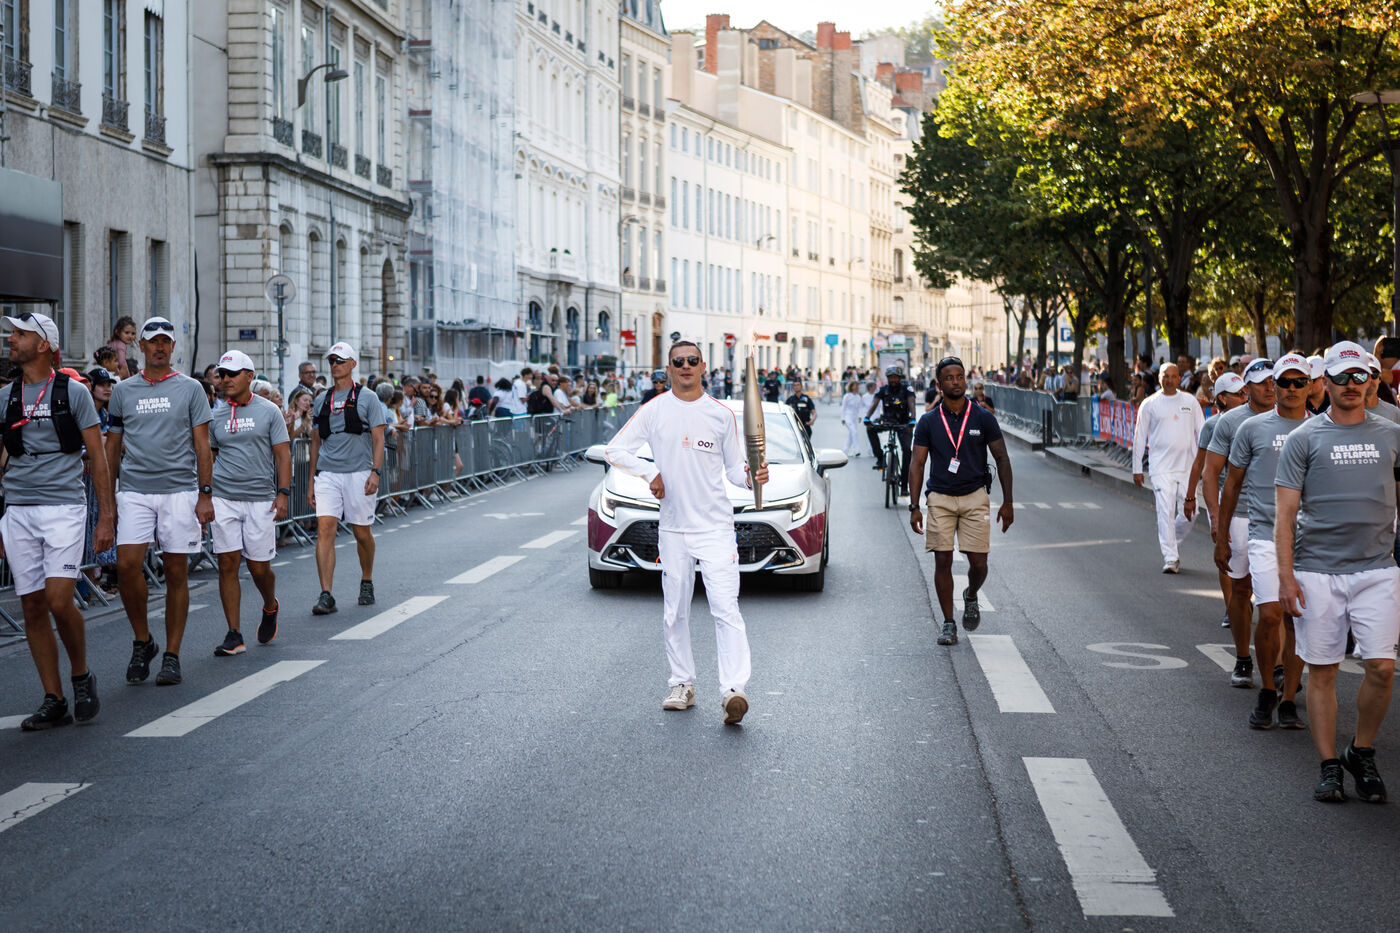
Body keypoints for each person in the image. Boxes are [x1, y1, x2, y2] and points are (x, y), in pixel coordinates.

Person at [604, 341, 768, 724]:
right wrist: (650, 472)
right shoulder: (654, 410)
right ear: (669, 369)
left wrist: (751, 476)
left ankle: (733, 690)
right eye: (678, 362)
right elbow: (615, 450)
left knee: (725, 608)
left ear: (703, 366)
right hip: (674, 528)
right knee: (675, 610)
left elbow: (734, 469)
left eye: (693, 360)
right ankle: (682, 683)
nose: (686, 366)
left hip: (715, 527)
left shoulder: (720, 415)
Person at [1276, 340, 1400, 803]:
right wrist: (1286, 576)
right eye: (1341, 377)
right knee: (1323, 670)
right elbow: (1285, 515)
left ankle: (1360, 750)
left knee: (1382, 668)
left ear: (1371, 381)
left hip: (1378, 569)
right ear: (1323, 382)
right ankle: (1329, 765)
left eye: (1359, 376)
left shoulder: (1392, 434)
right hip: (1317, 571)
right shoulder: (1303, 438)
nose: (1351, 384)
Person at [0, 312, 114, 729]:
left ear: (44, 344)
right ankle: (54, 698)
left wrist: (106, 518)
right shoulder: (6, 395)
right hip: (18, 509)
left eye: (20, 334)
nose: (11, 339)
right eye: (11, 334)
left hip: (64, 507)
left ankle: (81, 675)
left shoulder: (73, 392)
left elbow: (97, 457)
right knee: (32, 605)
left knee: (59, 599)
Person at [105, 316, 215, 687]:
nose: (159, 347)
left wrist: (205, 494)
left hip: (179, 490)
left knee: (176, 572)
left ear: (172, 346)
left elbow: (203, 445)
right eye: (153, 341)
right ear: (141, 346)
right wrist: (108, 501)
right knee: (126, 566)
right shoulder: (123, 391)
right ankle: (143, 640)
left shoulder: (191, 388)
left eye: (165, 341)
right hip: (135, 490)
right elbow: (112, 446)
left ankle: (172, 654)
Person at [1215, 354, 1311, 730]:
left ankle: (1287, 701)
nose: (1289, 388)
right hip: (1264, 535)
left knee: (1297, 620)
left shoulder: (1322, 428)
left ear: (1310, 386)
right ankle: (1268, 689)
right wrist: (1221, 536)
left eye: (1298, 382)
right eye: (1283, 382)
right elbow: (1231, 484)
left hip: (1310, 541)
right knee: (1270, 614)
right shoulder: (1251, 428)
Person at [908, 357, 1014, 647]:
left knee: (979, 563)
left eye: (960, 376)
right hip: (940, 498)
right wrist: (914, 506)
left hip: (974, 496)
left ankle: (971, 594)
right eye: (949, 378)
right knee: (942, 559)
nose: (956, 382)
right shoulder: (929, 421)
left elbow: (1002, 458)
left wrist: (1008, 502)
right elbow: (917, 463)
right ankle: (948, 623)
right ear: (939, 384)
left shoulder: (982, 417)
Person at [208, 350, 291, 654]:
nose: (226, 379)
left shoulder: (269, 411)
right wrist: (205, 494)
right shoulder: (215, 415)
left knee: (258, 569)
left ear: (249, 376)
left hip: (260, 499)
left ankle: (270, 604)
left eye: (232, 374)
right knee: (227, 564)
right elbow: (210, 456)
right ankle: (234, 634)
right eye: (222, 374)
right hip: (224, 497)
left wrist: (283, 493)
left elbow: (283, 454)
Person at [1204, 357, 1276, 686]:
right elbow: (1211, 473)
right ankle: (1243, 658)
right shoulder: (1230, 422)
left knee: (1275, 601)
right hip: (1241, 516)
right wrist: (1217, 521)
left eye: (1274, 381)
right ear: (1247, 388)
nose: (1270, 387)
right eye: (1262, 383)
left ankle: (1278, 666)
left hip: (1281, 520)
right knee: (1242, 588)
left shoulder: (1298, 419)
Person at [308, 342, 386, 615]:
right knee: (325, 529)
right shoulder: (321, 399)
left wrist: (375, 472)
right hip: (328, 473)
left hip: (359, 472)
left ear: (353, 363)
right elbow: (315, 442)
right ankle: (326, 593)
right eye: (331, 360)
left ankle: (366, 579)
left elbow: (379, 438)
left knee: (361, 532)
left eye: (340, 360)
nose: (335, 365)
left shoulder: (368, 397)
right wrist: (311, 481)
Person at [1184, 372, 1247, 629]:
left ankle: (1244, 598)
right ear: (1222, 398)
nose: (1244, 397)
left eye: (1245, 393)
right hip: (1223, 498)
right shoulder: (1212, 426)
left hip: (1254, 498)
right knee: (1227, 555)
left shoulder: (1255, 420)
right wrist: (1191, 497)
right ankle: (1231, 606)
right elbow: (1200, 464)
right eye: (1238, 394)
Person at [1131, 362, 1204, 573]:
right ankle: (1171, 558)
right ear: (1159, 378)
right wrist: (1137, 468)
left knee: (1192, 512)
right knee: (1165, 512)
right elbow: (1139, 437)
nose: (1169, 380)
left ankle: (1172, 541)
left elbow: (1203, 433)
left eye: (1173, 376)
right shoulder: (1149, 404)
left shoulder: (1190, 401)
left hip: (1187, 468)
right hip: (1160, 467)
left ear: (1179, 378)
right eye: (1165, 376)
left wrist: (1205, 463)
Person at [865, 367, 917, 492]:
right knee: (870, 429)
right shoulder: (883, 390)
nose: (893, 380)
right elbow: (874, 403)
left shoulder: (907, 389)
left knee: (907, 450)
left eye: (895, 377)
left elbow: (912, 403)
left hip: (904, 422)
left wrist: (913, 419)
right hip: (887, 420)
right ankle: (880, 458)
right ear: (887, 378)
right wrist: (867, 417)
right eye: (891, 377)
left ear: (899, 378)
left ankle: (904, 485)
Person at [840, 380, 864, 456]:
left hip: (855, 418)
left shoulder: (858, 397)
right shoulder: (847, 396)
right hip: (847, 417)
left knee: (852, 433)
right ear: (851, 387)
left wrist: (860, 416)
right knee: (854, 432)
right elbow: (843, 407)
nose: (857, 387)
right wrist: (842, 418)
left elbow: (860, 407)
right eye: (855, 385)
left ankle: (845, 450)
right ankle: (857, 450)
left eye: (857, 386)